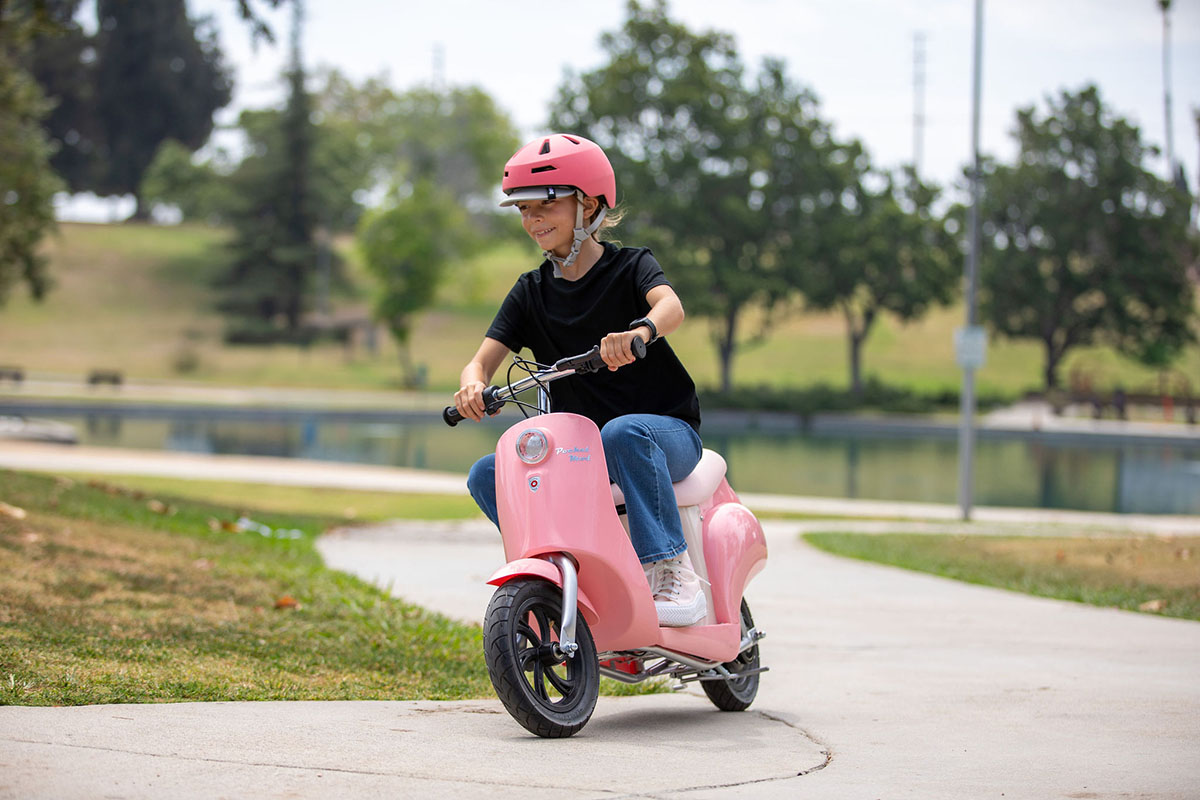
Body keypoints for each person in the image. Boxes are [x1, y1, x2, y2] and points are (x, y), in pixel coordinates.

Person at [453, 133, 707, 627]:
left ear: (588, 204)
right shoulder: (531, 292)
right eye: (523, 209)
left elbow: (670, 306)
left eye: (545, 205)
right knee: (489, 471)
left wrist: (640, 332)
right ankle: (553, 574)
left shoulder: (631, 266)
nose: (533, 220)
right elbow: (479, 363)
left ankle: (673, 572)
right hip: (585, 449)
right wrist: (472, 386)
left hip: (664, 434)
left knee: (624, 431)